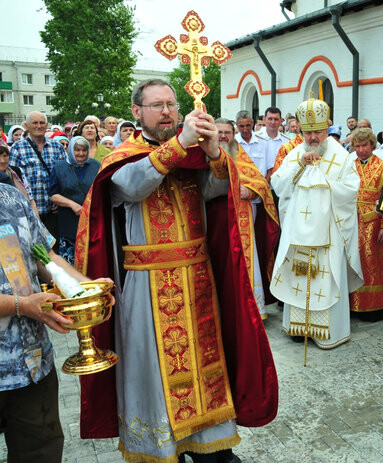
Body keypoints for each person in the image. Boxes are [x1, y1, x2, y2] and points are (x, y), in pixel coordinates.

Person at [74, 79, 277, 463]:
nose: (166, 111)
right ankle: (162, 448)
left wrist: (216, 153)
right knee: (150, 372)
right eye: (157, 105)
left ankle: (209, 446)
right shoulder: (124, 155)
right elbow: (131, 188)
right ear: (137, 112)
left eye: (171, 104)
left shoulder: (193, 155)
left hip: (199, 281)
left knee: (205, 369)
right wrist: (182, 144)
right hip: (147, 289)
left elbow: (218, 193)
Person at [0, 179, 107, 462]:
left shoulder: (12, 197)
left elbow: (44, 257)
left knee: (41, 453)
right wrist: (22, 305)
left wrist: (88, 289)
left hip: (32, 363)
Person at [270, 97, 362, 349]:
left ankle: (327, 334)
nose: (313, 138)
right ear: (300, 129)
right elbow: (277, 185)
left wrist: (325, 182)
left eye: (318, 132)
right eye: (308, 132)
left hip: (329, 234)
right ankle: (299, 329)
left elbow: (352, 190)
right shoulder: (293, 154)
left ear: (328, 128)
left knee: (325, 281)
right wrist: (299, 166)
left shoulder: (342, 157)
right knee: (299, 277)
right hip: (298, 233)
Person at [216, 118, 280, 321]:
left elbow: (259, 181)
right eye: (220, 132)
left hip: (241, 217)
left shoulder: (237, 151)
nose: (223, 136)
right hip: (214, 218)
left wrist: (250, 191)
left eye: (227, 132)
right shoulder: (203, 151)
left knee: (244, 261)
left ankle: (249, 308)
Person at [350, 128, 383, 321]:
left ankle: (376, 307)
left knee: (375, 266)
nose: (361, 150)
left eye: (364, 145)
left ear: (372, 145)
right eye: (357, 146)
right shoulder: (349, 165)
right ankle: (354, 305)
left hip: (375, 223)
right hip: (351, 223)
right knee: (354, 264)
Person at [9, 111, 66, 238]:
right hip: (30, 213)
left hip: (54, 212)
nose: (39, 126)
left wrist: (60, 197)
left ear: (47, 125)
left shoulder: (57, 147)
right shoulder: (17, 148)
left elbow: (65, 177)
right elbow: (14, 181)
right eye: (35, 123)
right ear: (27, 126)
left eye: (42, 123)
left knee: (54, 251)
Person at [48, 136, 100, 265]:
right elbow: (53, 195)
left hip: (92, 220)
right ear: (71, 150)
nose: (81, 153)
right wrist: (72, 205)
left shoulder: (96, 165)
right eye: (77, 150)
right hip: (69, 220)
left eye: (84, 150)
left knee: (92, 262)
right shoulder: (59, 167)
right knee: (71, 261)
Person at [0, 144, 38, 215]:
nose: (2, 160)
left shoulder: (17, 172)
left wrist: (37, 222)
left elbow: (30, 199)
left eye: (5, 156)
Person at [257, 107, 290, 182]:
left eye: (276, 119)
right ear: (264, 119)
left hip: (280, 186)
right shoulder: (256, 139)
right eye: (270, 119)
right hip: (261, 185)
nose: (273, 122)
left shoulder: (287, 142)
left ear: (281, 121)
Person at [235, 110, 268, 176]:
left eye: (248, 125)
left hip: (261, 184)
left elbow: (269, 168)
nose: (245, 129)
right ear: (236, 125)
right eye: (241, 126)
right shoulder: (232, 143)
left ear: (252, 123)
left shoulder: (264, 142)